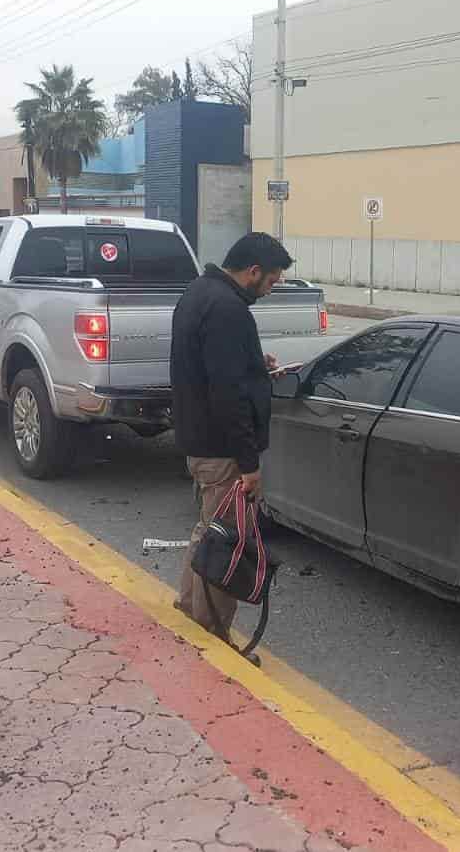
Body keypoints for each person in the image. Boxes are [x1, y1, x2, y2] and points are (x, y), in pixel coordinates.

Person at [169, 232, 292, 658]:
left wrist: (256, 367)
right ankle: (212, 633)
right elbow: (227, 394)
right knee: (229, 540)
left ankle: (190, 608)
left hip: (199, 437)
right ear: (253, 271)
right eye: (272, 281)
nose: (271, 288)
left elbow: (215, 368)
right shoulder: (228, 310)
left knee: (208, 529)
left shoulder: (199, 292)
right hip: (221, 447)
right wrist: (248, 462)